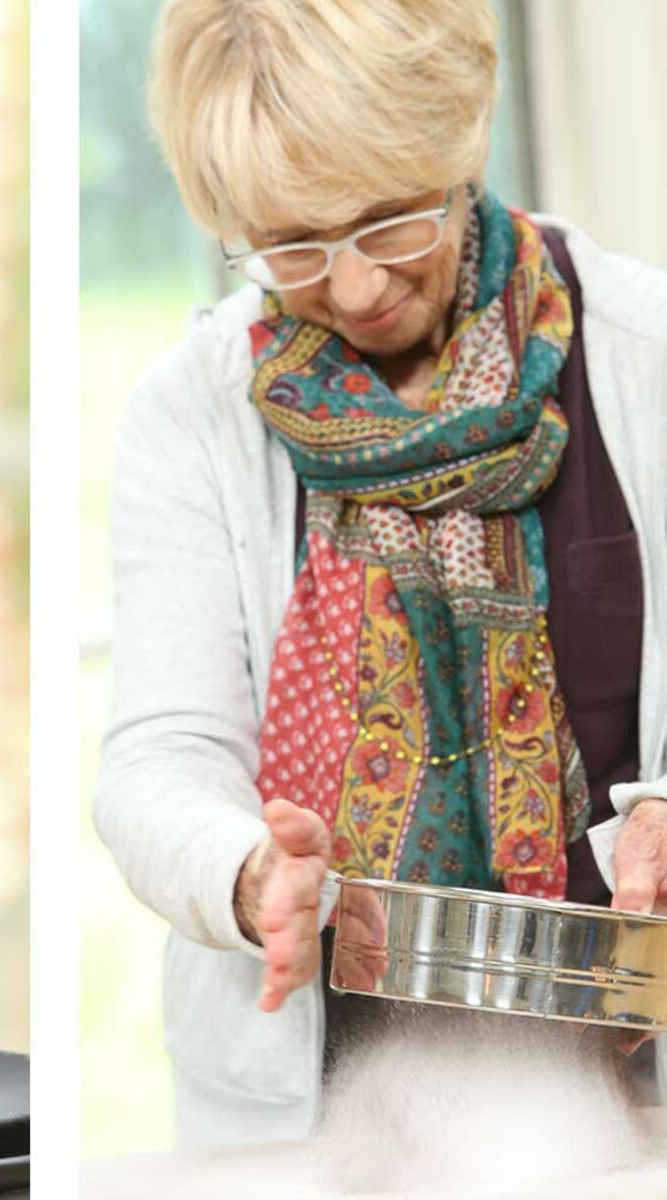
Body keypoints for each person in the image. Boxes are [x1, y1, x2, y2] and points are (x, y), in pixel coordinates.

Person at [94, 0, 667, 1148]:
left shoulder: (647, 355)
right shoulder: (190, 416)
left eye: (390, 222)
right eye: (293, 246)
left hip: (631, 1106)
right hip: (319, 1124)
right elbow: (159, 760)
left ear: (460, 146)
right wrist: (248, 872)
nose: (355, 290)